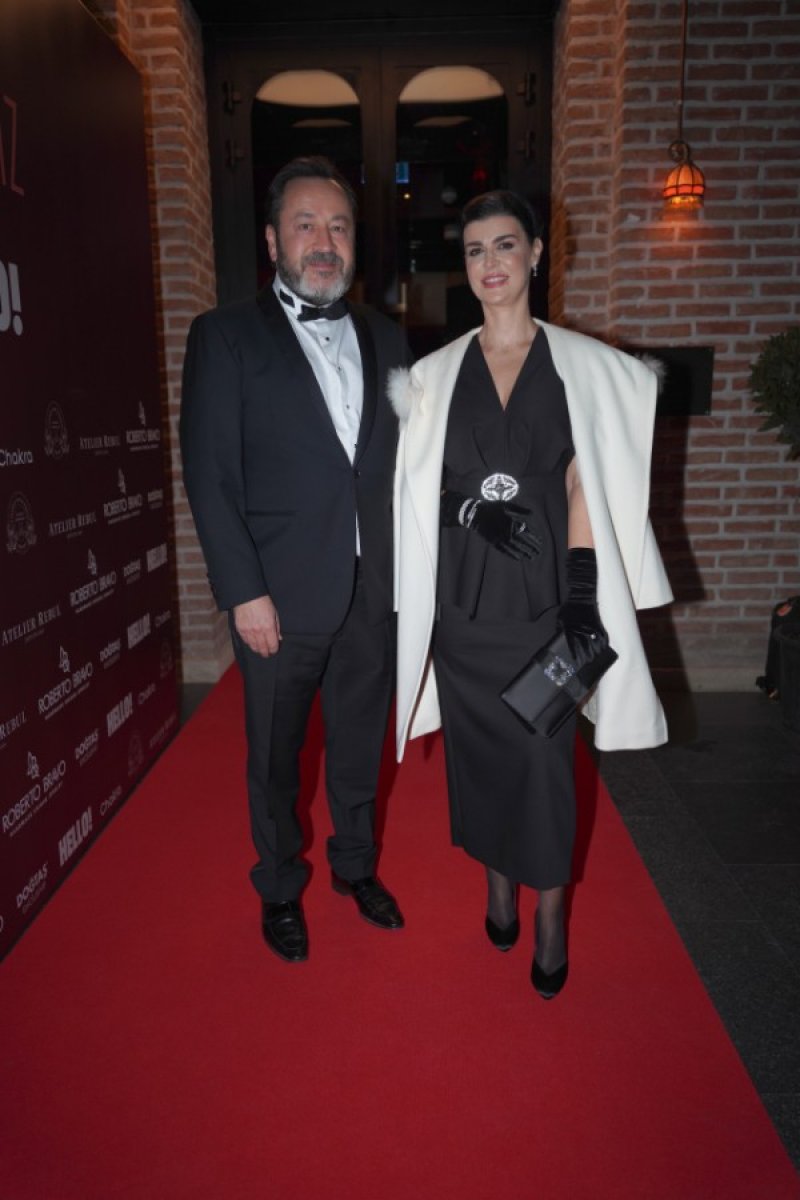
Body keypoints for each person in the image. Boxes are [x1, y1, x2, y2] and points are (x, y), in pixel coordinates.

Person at [389, 190, 672, 998]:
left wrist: (581, 599)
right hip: (465, 611)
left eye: (506, 245)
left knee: (545, 768)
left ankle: (549, 917)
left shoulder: (583, 367)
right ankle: (497, 888)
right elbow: (416, 490)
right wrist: (469, 510)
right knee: (480, 763)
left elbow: (587, 484)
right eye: (475, 250)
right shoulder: (434, 376)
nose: (491, 264)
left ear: (537, 254)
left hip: (547, 606)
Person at [180, 157, 411, 962]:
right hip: (276, 596)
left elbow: (405, 462)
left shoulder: (386, 335)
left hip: (372, 587)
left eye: (338, 226)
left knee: (359, 744)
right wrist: (243, 592)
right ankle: (279, 885)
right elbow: (210, 475)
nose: (324, 241)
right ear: (273, 240)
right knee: (276, 756)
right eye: (306, 224)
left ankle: (356, 867)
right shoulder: (224, 335)